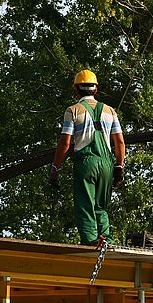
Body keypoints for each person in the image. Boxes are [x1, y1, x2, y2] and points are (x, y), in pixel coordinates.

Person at [50, 69, 125, 246]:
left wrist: (55, 167)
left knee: (85, 206)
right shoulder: (110, 111)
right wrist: (119, 167)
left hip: (85, 162)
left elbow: (65, 143)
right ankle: (106, 240)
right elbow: (120, 142)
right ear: (96, 90)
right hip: (107, 164)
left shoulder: (73, 110)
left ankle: (91, 241)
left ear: (76, 90)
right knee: (101, 206)